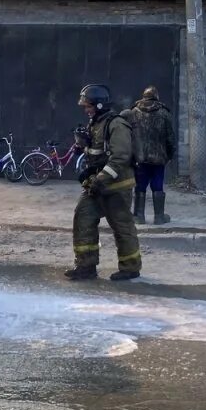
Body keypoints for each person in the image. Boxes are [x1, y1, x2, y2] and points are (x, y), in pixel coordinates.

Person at [65, 84, 142, 281]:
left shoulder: (117, 125)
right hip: (97, 184)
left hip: (117, 185)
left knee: (121, 226)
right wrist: (83, 145)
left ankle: (130, 267)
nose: (86, 109)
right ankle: (86, 266)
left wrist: (99, 179)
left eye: (88, 106)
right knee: (82, 216)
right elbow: (97, 154)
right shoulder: (95, 123)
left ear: (99, 105)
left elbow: (120, 157)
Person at [128, 85, 176, 226]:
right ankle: (159, 217)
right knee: (157, 185)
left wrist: (131, 155)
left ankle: (139, 216)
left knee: (140, 185)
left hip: (140, 157)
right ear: (156, 97)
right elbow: (170, 138)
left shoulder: (133, 112)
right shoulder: (164, 113)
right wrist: (170, 155)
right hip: (158, 158)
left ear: (144, 96)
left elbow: (128, 135)